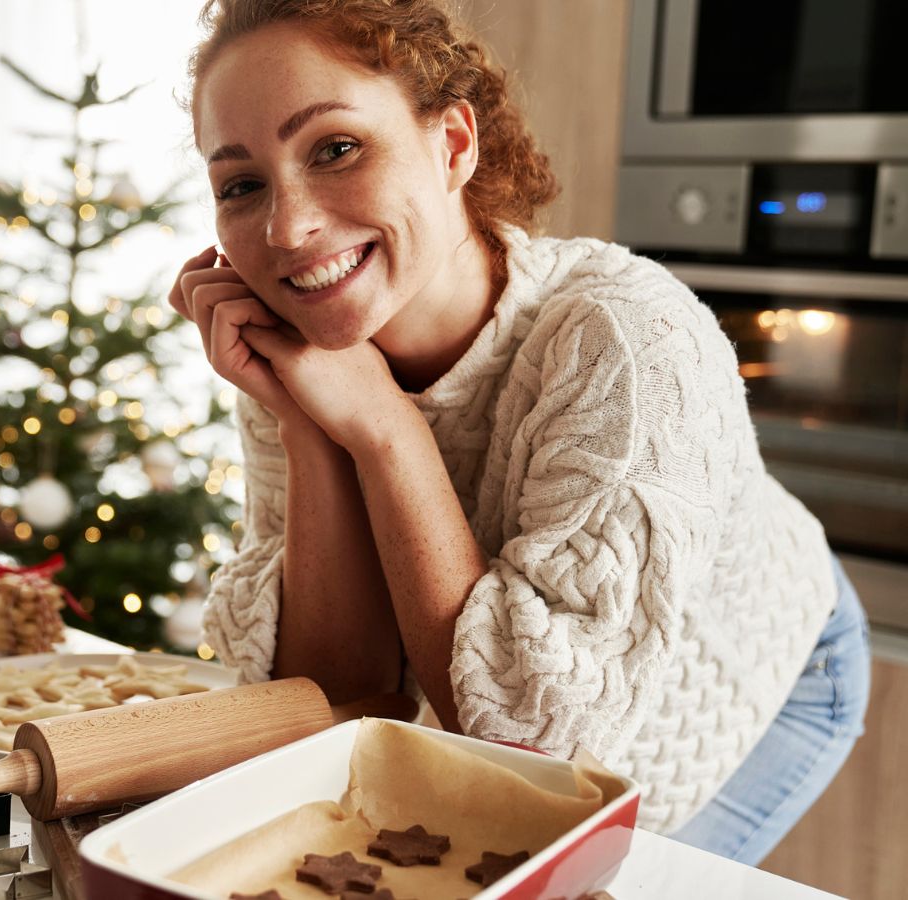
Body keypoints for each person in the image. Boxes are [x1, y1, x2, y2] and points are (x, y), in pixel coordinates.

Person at [168, 0, 870, 864]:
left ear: (454, 145)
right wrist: (312, 430)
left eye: (337, 148)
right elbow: (339, 699)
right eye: (242, 185)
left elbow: (531, 743)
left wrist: (386, 427)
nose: (287, 228)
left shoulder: (625, 339)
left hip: (760, 663)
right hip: (551, 709)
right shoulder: (306, 347)